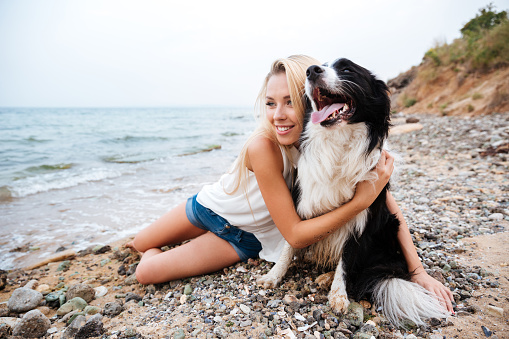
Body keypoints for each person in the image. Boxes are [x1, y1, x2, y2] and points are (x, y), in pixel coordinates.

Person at [127, 55, 454, 313]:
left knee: (146, 272)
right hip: (207, 206)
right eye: (270, 103)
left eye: (289, 102)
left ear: (316, 101)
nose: (279, 114)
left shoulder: (327, 144)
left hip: (243, 238)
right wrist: (358, 202)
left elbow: (387, 209)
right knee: (140, 243)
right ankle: (179, 239)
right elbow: (306, 230)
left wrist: (418, 271)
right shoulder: (263, 146)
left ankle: (185, 246)